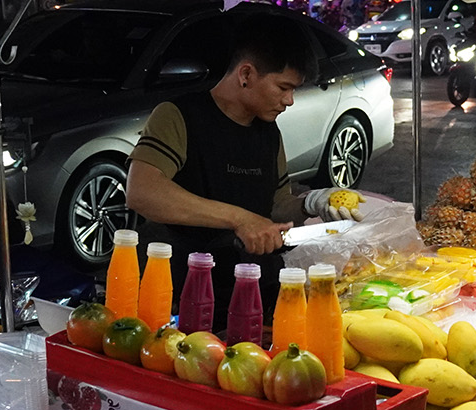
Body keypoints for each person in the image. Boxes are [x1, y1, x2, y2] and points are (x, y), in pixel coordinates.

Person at [126, 17, 360, 332]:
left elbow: (275, 206)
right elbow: (143, 192)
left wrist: (312, 202)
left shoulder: (268, 131)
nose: (289, 101)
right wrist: (240, 219)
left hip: (249, 294)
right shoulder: (179, 116)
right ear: (246, 74)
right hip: (181, 295)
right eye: (283, 87)